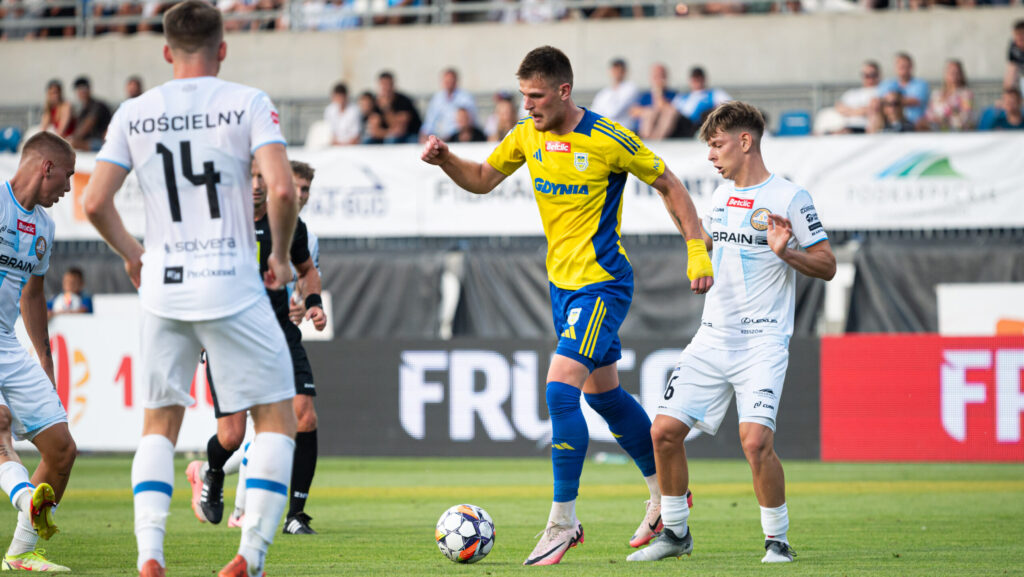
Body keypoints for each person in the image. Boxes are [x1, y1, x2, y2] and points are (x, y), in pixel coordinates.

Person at [421, 45, 713, 567]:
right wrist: (446, 161)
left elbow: (669, 183)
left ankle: (563, 521)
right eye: (522, 95)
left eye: (536, 96)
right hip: (562, 285)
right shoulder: (527, 133)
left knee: (559, 391)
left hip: (602, 284)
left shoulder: (606, 137)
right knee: (604, 397)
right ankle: (666, 498)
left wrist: (695, 248)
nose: (527, 105)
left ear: (563, 90)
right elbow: (484, 180)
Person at [82, 2, 300, 576]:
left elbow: (94, 202)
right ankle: (249, 557)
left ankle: (150, 554)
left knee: (159, 425)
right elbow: (281, 189)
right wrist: (277, 255)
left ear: (165, 51)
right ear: (222, 48)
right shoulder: (246, 101)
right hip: (231, 280)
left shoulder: (134, 112)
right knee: (277, 419)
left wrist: (133, 254)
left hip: (164, 286)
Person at [627, 101, 835, 565]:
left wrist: (788, 254)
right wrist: (670, 202)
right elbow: (702, 238)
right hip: (713, 336)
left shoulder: (789, 198)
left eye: (717, 145)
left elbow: (828, 264)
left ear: (746, 142)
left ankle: (777, 541)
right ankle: (676, 533)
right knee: (662, 433)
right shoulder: (721, 198)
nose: (711, 156)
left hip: (762, 340)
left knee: (756, 442)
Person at [186, 158, 327, 537]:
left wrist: (313, 302)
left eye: (261, 176)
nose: (255, 184)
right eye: (248, 177)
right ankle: (211, 472)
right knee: (232, 436)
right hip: (227, 337)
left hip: (279, 333)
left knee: (304, 416)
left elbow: (307, 270)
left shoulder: (289, 222)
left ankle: (295, 514)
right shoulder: (218, 225)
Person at [0, 132, 78, 573]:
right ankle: (28, 500)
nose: (68, 188)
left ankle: (21, 552)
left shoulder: (44, 227)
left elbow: (33, 293)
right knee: (0, 426)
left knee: (62, 450)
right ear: (45, 167)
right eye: (66, 176)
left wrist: (44, 359)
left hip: (7, 345)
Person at [629, 63, 687, 141]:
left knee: (668, 112)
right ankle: (648, 139)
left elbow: (669, 109)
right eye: (656, 76)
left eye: (661, 76)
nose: (658, 79)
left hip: (665, 133)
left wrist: (658, 94)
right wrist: (648, 111)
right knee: (649, 113)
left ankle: (655, 139)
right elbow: (633, 111)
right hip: (644, 131)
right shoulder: (645, 95)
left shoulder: (672, 95)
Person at [421, 68, 478, 140]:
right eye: (447, 81)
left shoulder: (466, 98)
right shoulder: (437, 99)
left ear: (456, 81)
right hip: (440, 137)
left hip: (458, 137)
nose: (449, 84)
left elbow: (471, 121)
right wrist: (424, 135)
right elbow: (429, 122)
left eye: (451, 81)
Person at [878, 52, 929, 126]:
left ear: (911, 67)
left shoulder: (921, 84)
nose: (903, 69)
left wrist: (892, 101)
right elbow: (880, 101)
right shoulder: (887, 84)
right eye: (901, 66)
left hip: (914, 123)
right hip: (889, 121)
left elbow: (916, 101)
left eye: (906, 66)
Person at [831, 60, 882, 134]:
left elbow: (874, 109)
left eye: (872, 75)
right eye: (866, 75)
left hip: (864, 128)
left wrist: (850, 111)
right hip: (846, 126)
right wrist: (861, 111)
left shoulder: (881, 91)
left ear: (878, 75)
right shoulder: (852, 93)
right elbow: (838, 107)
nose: (870, 78)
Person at [921, 59, 972, 131]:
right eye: (950, 71)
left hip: (956, 132)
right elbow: (928, 114)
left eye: (956, 72)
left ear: (961, 75)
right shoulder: (936, 94)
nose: (953, 75)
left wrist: (943, 120)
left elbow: (966, 117)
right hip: (934, 130)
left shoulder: (966, 94)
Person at [590, 58, 639, 130]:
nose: (616, 73)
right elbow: (593, 113)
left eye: (619, 70)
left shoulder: (631, 88)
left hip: (623, 131)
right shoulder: (604, 92)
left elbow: (613, 112)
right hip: (605, 130)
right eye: (614, 70)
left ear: (624, 72)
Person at [376, 71, 422, 144]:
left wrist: (386, 109)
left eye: (389, 84)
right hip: (387, 136)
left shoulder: (404, 101)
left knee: (391, 140)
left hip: (410, 135)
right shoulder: (376, 102)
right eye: (384, 84)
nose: (387, 88)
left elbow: (400, 130)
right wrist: (388, 132)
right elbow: (374, 131)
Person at [68, 77, 112, 152]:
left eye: (83, 90)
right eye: (79, 90)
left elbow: (86, 127)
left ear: (89, 90)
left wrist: (71, 140)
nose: (81, 93)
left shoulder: (97, 106)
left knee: (71, 143)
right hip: (91, 141)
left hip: (102, 142)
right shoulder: (83, 109)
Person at [1005, 19, 1024, 97]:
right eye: (1017, 39)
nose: (1018, 43)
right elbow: (1011, 70)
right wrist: (1006, 96)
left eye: (1022, 39)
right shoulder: (1013, 47)